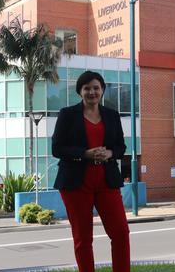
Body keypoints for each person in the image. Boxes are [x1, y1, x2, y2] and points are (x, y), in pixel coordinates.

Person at [52, 71, 130, 272]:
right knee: (83, 238)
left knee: (121, 232)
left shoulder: (112, 115)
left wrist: (110, 152)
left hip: (107, 181)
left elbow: (121, 147)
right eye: (87, 88)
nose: (92, 92)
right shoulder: (67, 114)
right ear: (80, 91)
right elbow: (57, 148)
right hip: (76, 183)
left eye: (96, 87)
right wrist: (85, 154)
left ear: (102, 90)